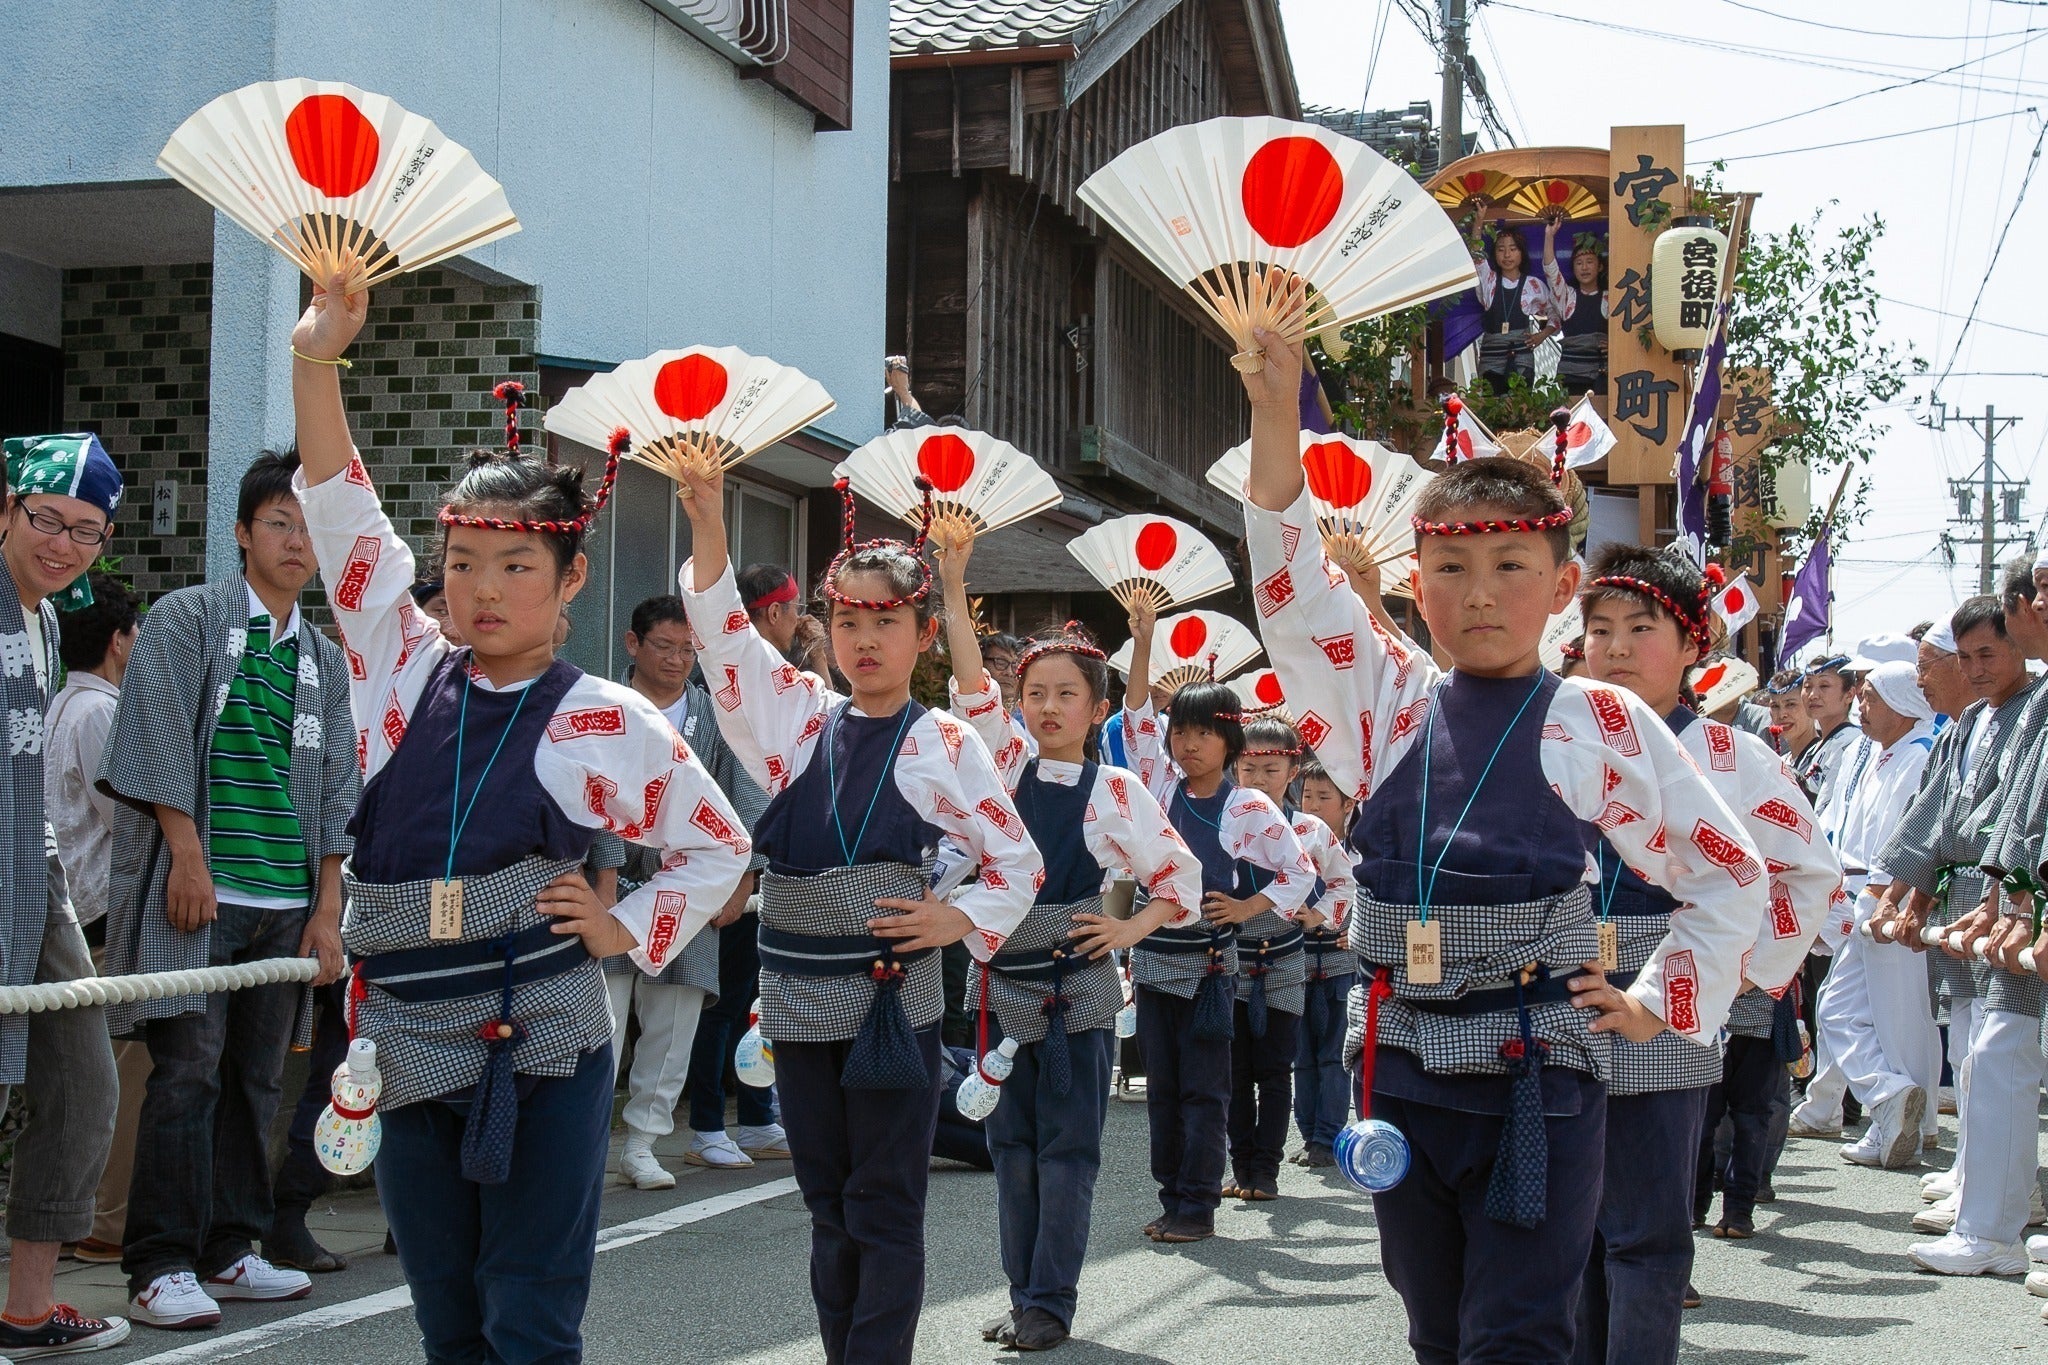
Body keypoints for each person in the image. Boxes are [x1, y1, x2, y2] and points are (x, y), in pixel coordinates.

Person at [1234, 281, 1765, 1362]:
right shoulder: (1384, 705)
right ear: (1415, 580)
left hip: (1539, 1070)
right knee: (1435, 1331)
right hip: (1399, 1066)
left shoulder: (1597, 719)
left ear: (1561, 582)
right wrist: (1275, 402)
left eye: (1510, 568)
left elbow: (1726, 873)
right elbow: (1289, 590)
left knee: (1518, 1332)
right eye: (1450, 569)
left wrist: (1654, 1001)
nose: (1479, 594)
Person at [290, 274, 752, 1361]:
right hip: (403, 1026)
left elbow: (718, 844)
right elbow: (337, 501)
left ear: (569, 576)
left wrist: (622, 929)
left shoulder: (603, 719)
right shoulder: (398, 665)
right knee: (446, 1312)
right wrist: (318, 358)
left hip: (539, 1029)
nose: (482, 590)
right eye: (462, 565)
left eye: (513, 566)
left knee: (529, 1308)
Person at [680, 464, 1039, 1365]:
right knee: (826, 1198)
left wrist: (953, 922)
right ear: (826, 629)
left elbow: (1016, 860)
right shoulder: (799, 717)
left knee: (884, 1198)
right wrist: (708, 520)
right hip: (799, 995)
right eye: (849, 621)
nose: (867, 639)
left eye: (888, 621)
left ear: (922, 633)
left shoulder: (946, 739)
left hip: (892, 999)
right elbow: (725, 642)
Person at [96, 451, 360, 1330]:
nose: (295, 540)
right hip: (202, 890)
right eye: (278, 522)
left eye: (308, 526)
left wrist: (328, 911)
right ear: (242, 533)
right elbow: (158, 734)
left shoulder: (323, 656)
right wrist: (186, 853)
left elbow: (334, 791)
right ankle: (159, 1261)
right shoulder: (186, 618)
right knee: (186, 1074)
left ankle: (235, 1244)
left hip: (286, 897)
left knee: (253, 1079)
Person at [936, 531, 1202, 1350]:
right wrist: (952, 582)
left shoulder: (1116, 787)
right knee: (1008, 1150)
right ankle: (1026, 1298)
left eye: (1067, 694)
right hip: (1002, 987)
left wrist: (1128, 928)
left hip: (1078, 987)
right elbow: (972, 679)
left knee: (1068, 1155)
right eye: (1036, 693)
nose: (1048, 706)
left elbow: (1180, 880)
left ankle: (1051, 1303)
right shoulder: (1001, 762)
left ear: (1095, 708)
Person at [1571, 547, 1838, 1362]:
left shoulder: (1734, 754)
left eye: (1641, 628)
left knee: (1646, 1227)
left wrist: (1724, 983)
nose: (1615, 647)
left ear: (1693, 644)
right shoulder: (1555, 738)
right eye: (1599, 628)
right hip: (1564, 982)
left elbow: (1805, 869)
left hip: (1668, 987)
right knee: (1560, 1224)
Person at [1118, 614, 1314, 1242]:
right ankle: (1173, 1195)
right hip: (1152, 959)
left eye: (1204, 733)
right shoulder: (1155, 786)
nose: (1188, 744)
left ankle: (1197, 1206)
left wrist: (1247, 909)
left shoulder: (1248, 805)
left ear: (1230, 742)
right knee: (1163, 1089)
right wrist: (1144, 640)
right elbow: (1136, 719)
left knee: (1205, 1089)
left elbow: (1300, 872)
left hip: (1209, 966)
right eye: (1181, 731)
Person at [0, 433, 129, 1357]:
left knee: (85, 1077)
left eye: (87, 530)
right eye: (47, 519)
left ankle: (29, 1305)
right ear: (8, 509)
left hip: (29, 876)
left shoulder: (46, 623)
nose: (63, 544)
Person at [1890, 581, 2048, 1275]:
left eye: (1990, 651)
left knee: (2003, 1056)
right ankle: (1987, 1215)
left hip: (2021, 900)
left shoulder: (2035, 706)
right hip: (2004, 894)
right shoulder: (1984, 719)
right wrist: (1996, 896)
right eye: (1968, 656)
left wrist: (2013, 899)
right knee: (1986, 1051)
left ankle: (1994, 1226)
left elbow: (2026, 823)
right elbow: (2016, 823)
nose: (1977, 667)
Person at [605, 594, 775, 1187]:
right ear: (633, 644)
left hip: (691, 886)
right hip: (614, 881)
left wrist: (743, 878)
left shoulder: (717, 716)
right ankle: (580, 1140)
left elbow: (749, 795)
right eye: (664, 646)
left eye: (687, 649)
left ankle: (644, 1143)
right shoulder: (601, 706)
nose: (677, 660)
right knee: (601, 1023)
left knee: (672, 1027)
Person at [1786, 661, 1942, 1152]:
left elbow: (1901, 836)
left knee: (1885, 1014)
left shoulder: (1916, 756)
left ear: (1900, 703)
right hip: (1864, 894)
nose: (1861, 705)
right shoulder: (1882, 753)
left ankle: (1898, 1111)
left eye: (1871, 695)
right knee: (1858, 1010)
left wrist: (1880, 895)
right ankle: (1898, 1112)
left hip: (1883, 898)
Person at [46, 572, 143, 1266]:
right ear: (117, 640)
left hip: (68, 916)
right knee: (117, 1082)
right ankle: (106, 1219)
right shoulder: (102, 713)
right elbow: (128, 820)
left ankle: (85, 1216)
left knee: (77, 1085)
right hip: (104, 917)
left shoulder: (57, 706)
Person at [1228, 716, 1353, 1198]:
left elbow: (1345, 881)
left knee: (1279, 1069)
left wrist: (1316, 916)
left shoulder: (1311, 828)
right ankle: (1240, 1168)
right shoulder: (1220, 820)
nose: (1258, 779)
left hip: (1286, 958)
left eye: (1271, 768)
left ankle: (1266, 1172)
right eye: (1248, 767)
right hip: (1230, 959)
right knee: (1234, 1071)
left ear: (1293, 768)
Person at [1292, 757, 1358, 1166]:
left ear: (1348, 804)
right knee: (1302, 1054)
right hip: (1296, 960)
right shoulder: (1289, 841)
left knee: (1333, 1052)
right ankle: (1308, 1132)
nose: (1313, 805)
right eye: (1308, 796)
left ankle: (1328, 1137)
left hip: (1339, 959)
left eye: (1324, 797)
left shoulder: (1360, 850)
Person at [1470, 225, 1550, 395]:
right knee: (1491, 406)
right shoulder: (1489, 280)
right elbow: (1476, 255)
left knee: (1521, 406)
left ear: (1521, 253)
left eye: (1513, 249)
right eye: (1501, 250)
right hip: (1491, 357)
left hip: (1521, 357)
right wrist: (1479, 220)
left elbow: (1556, 312)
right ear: (1495, 254)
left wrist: (1542, 335)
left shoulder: (1534, 285)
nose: (1507, 255)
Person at [1543, 222, 1608, 396]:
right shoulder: (1567, 297)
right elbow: (1550, 270)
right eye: (1579, 263)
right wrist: (1549, 236)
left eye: (1589, 262)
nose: (1584, 267)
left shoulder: (1612, 298)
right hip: (1572, 374)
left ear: (1600, 266)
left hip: (1603, 372)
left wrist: (1615, 346)